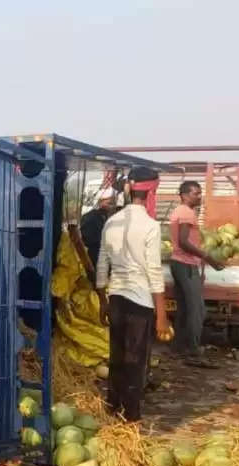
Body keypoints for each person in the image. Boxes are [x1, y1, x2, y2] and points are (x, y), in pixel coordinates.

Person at [95, 166, 170, 421]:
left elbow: (102, 262)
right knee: (136, 361)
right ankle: (131, 414)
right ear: (151, 191)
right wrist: (162, 315)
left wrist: (102, 301)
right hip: (140, 301)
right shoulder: (151, 226)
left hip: (116, 297)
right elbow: (154, 271)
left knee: (116, 356)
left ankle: (112, 407)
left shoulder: (111, 221)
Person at [168, 181, 224, 368]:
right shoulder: (186, 212)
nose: (199, 197)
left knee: (184, 309)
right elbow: (184, 241)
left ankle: (178, 348)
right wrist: (207, 257)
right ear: (184, 195)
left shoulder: (179, 211)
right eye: (195, 193)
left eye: (200, 193)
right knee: (197, 310)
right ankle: (192, 352)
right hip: (186, 264)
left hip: (178, 263)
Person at [80, 187, 118, 281]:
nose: (111, 206)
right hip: (96, 257)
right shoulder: (89, 217)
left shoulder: (110, 217)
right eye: (109, 203)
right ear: (100, 202)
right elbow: (87, 239)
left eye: (113, 203)